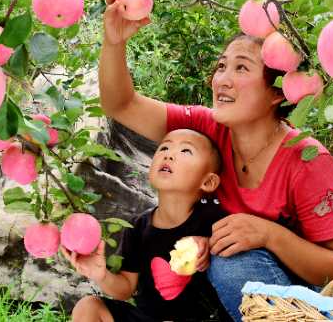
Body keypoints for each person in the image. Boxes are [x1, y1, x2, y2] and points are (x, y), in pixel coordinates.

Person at [98, 0, 333, 321]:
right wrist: (113, 42)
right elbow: (121, 105)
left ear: (278, 91)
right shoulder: (208, 128)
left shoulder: (307, 161)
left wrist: (269, 234)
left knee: (231, 261)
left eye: (241, 68)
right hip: (248, 300)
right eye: (221, 66)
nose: (221, 79)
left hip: (320, 308)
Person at [64, 128, 229, 322]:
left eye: (185, 151)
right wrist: (100, 274)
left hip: (202, 317)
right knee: (88, 307)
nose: (168, 154)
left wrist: (210, 243)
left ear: (208, 182)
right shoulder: (138, 226)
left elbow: (241, 252)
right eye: (164, 147)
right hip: (148, 317)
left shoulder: (214, 217)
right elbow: (126, 288)